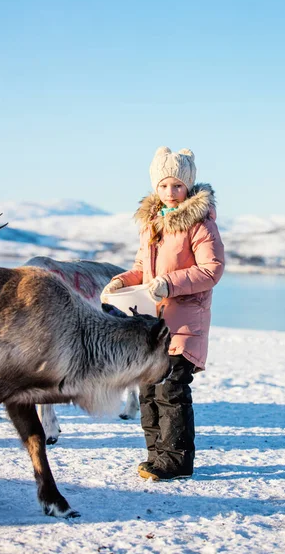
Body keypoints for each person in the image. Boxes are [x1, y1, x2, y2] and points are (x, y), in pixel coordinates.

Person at [101, 146, 225, 480]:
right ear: (155, 187)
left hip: (184, 325)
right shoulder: (152, 224)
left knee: (171, 391)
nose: (170, 192)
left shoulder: (200, 225)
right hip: (152, 328)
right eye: (163, 185)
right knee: (149, 390)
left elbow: (211, 269)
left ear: (188, 186)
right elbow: (142, 268)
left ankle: (177, 462)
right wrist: (117, 283)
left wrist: (168, 284)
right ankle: (157, 456)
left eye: (177, 185)